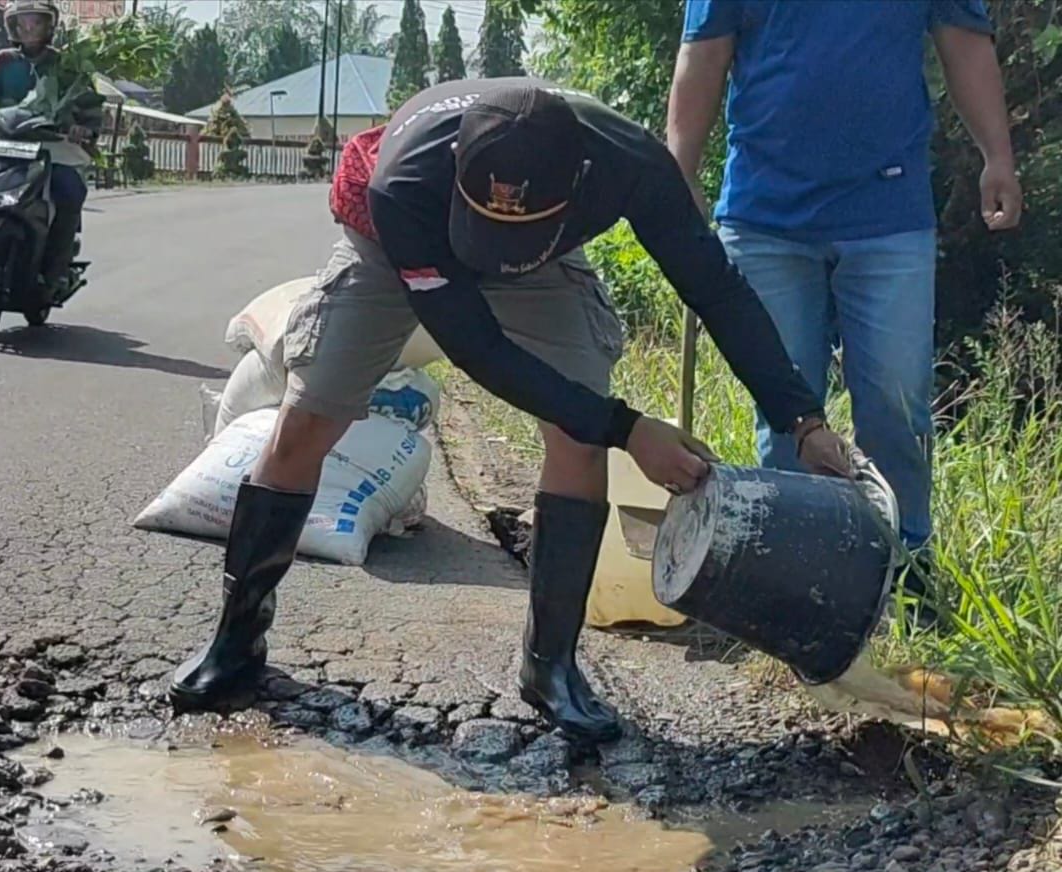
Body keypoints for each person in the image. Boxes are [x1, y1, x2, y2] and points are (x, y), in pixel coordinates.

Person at [168, 77, 858, 744]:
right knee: (310, 414)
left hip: (547, 263)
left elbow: (719, 290)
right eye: (487, 221)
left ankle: (549, 664)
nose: (492, 251)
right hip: (402, 246)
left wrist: (801, 419)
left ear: (579, 183)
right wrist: (627, 427)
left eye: (511, 229)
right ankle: (237, 639)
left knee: (575, 435)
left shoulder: (631, 166)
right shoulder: (403, 184)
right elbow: (476, 347)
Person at [666, 0, 1021, 614]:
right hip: (764, 217)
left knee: (896, 405)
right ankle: (794, 586)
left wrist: (999, 155)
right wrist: (678, 175)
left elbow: (963, 38)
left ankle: (904, 579)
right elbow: (704, 51)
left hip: (888, 217)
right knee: (785, 414)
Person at [0, 0, 99, 303]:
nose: (28, 27)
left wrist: (84, 126)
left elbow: (88, 102)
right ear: (12, 26)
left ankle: (51, 272)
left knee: (69, 193)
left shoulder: (66, 63)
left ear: (49, 26)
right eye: (22, 22)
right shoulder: (2, 60)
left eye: (36, 21)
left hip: (51, 148)